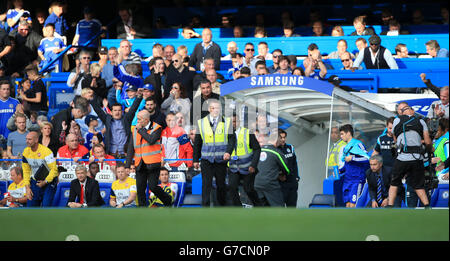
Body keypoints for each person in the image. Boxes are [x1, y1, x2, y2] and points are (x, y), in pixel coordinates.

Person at [386, 102, 432, 208]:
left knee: (394, 182)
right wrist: (427, 150)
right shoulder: (421, 121)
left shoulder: (397, 120)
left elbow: (395, 139)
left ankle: (390, 206)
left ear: (401, 112)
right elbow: (428, 142)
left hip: (402, 157)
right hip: (417, 158)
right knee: (418, 185)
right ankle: (426, 205)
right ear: (412, 110)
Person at [193, 99, 235, 207]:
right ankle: (205, 208)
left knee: (221, 185)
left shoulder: (227, 122)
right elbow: (197, 142)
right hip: (207, 160)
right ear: (209, 109)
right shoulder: (201, 122)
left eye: (217, 108)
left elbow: (231, 139)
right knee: (206, 185)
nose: (215, 110)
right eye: (213, 108)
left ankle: (221, 207)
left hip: (221, 159)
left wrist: (228, 152)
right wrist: (195, 160)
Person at [126, 109, 172, 207]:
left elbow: (151, 140)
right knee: (140, 188)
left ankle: (167, 200)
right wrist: (127, 165)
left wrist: (141, 130)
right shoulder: (134, 129)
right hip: (139, 163)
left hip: (153, 163)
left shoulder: (157, 128)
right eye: (137, 119)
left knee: (153, 187)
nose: (137, 121)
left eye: (139, 119)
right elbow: (131, 147)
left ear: (146, 120)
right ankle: (142, 209)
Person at [227, 113, 261, 207]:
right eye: (231, 122)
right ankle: (238, 209)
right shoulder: (225, 134)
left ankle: (259, 207)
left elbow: (257, 149)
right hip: (233, 168)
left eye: (235, 121)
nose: (233, 123)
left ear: (239, 122)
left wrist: (253, 165)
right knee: (232, 187)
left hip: (247, 167)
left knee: (248, 189)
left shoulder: (247, 132)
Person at [22, 131, 58, 207]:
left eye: (29, 139)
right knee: (31, 208)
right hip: (35, 181)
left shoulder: (46, 151)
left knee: (46, 206)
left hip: (48, 182)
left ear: (36, 140)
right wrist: (27, 188)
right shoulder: (25, 152)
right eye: (26, 139)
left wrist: (45, 182)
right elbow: (26, 171)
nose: (27, 141)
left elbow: (54, 170)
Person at [254, 131, 290, 207]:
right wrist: (281, 174)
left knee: (263, 208)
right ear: (277, 140)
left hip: (256, 183)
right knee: (279, 207)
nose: (281, 142)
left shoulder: (258, 150)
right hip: (270, 184)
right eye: (280, 139)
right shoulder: (276, 152)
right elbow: (287, 169)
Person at [339, 124, 370, 208]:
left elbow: (367, 159)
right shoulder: (346, 148)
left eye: (342, 134)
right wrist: (340, 170)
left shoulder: (358, 144)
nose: (341, 136)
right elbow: (347, 163)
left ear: (348, 133)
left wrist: (353, 158)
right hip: (347, 180)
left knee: (354, 205)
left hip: (357, 180)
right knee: (348, 205)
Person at [277, 129, 300, 207]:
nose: (283, 140)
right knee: (281, 207)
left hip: (292, 182)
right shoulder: (275, 149)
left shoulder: (290, 147)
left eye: (284, 137)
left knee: (292, 206)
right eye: (281, 138)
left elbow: (294, 163)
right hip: (281, 184)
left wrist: (297, 177)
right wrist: (279, 175)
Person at [0, 80, 19, 145]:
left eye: (7, 89)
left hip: (11, 135)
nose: (6, 91)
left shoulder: (15, 102)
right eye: (4, 89)